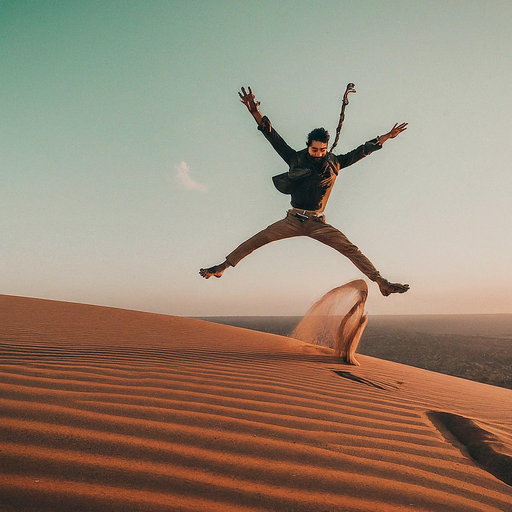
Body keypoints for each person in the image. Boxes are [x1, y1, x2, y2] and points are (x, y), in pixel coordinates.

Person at [199, 86, 409, 296]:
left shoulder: (335, 162)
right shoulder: (295, 158)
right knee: (258, 239)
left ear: (327, 148)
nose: (318, 153)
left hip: (318, 223)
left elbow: (362, 150)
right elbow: (273, 137)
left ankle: (381, 282)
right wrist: (254, 112)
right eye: (314, 149)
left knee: (350, 249)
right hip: (292, 221)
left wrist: (387, 137)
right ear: (308, 146)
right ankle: (222, 268)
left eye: (322, 150)